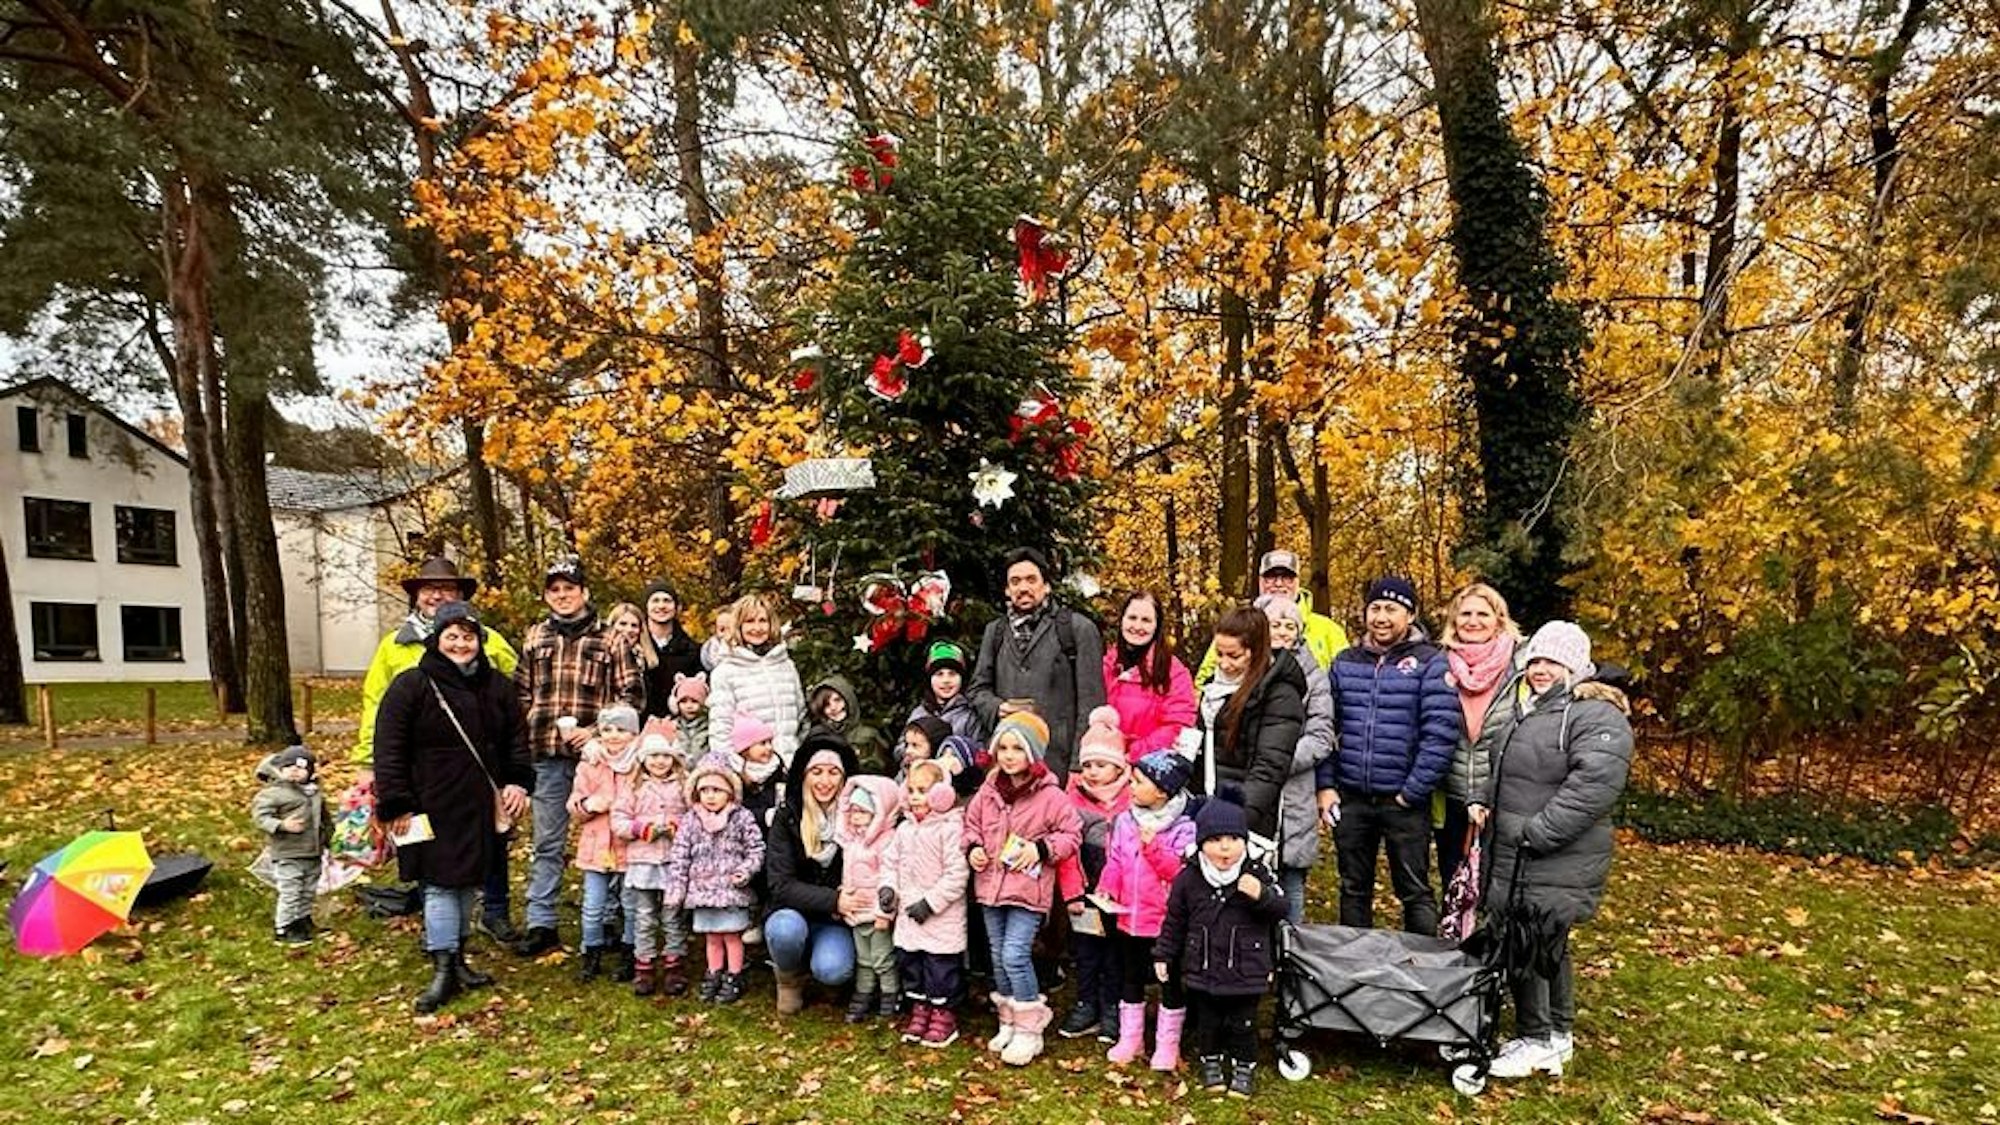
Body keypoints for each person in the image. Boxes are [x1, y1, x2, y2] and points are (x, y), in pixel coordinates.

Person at [1478, 622, 1633, 1080]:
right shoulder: (1532, 710)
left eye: (1553, 662)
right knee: (1542, 945)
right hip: (1517, 853)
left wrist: (1537, 831)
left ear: (1576, 667)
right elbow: (1509, 769)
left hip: (1550, 855)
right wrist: (1483, 802)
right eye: (1536, 661)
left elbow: (1594, 785)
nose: (1541, 669)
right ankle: (1554, 1036)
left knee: (1533, 942)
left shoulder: (1593, 714)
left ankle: (1538, 1038)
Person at [372, 601, 532, 1014]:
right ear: (438, 639)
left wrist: (517, 781)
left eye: (468, 636)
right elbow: (388, 748)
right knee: (439, 881)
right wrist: (396, 802)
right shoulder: (412, 685)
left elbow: (517, 739)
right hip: (427, 800)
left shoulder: (497, 686)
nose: (461, 644)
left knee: (468, 881)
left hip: (479, 801)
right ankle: (442, 965)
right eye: (452, 636)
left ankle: (459, 959)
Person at [352, 555, 520, 941]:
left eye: (447, 589)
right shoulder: (395, 648)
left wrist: (515, 776)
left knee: (482, 854)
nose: (438, 596)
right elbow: (378, 711)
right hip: (424, 778)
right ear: (417, 597)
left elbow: (511, 698)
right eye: (430, 590)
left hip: (477, 778)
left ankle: (484, 919)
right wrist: (371, 767)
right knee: (433, 863)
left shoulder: (490, 642)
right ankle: (440, 943)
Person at [513, 556, 644, 957]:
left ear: (584, 592)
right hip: (547, 755)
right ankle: (542, 921)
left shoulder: (611, 640)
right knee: (547, 842)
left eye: (569, 588)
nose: (563, 595)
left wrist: (597, 732)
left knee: (609, 837)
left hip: (602, 759)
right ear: (546, 596)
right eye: (554, 589)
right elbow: (519, 693)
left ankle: (607, 920)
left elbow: (632, 696)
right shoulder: (535, 637)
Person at [1319, 576, 1461, 935]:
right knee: (1353, 887)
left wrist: (1411, 791)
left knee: (1413, 890)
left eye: (1392, 609)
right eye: (1375, 608)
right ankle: (1354, 970)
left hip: (1404, 801)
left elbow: (1441, 733)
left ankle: (1422, 973)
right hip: (1351, 798)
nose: (1382, 617)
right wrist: (1326, 784)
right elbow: (1324, 727)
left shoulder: (1432, 663)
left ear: (1410, 615)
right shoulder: (1344, 663)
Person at [964, 712, 1084, 1066]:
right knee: (998, 955)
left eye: (1018, 747)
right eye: (1003, 747)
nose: (1009, 755)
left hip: (1028, 890)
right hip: (990, 886)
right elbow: (970, 825)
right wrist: (973, 849)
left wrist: (1042, 849)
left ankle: (1031, 1028)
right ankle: (1009, 1020)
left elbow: (1071, 834)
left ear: (1033, 753)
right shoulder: (987, 792)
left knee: (1016, 954)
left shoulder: (1050, 795)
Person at [1153, 792, 1288, 1098]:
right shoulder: (1189, 877)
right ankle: (1210, 1062)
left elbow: (1281, 909)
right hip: (1203, 967)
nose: (1225, 847)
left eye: (1232, 839)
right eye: (1215, 840)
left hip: (1246, 968)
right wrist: (1164, 953)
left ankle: (1244, 1068)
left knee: (1244, 1024)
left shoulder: (1257, 872)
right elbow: (1175, 920)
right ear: (1201, 843)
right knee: (1208, 1023)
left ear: (1244, 841)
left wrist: (1261, 896)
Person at [969, 547, 1107, 782]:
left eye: (1031, 580)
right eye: (1015, 581)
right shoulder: (996, 632)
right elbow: (977, 690)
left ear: (1046, 586)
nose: (1023, 588)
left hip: (1057, 766)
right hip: (1008, 768)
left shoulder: (1076, 629)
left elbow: (1091, 705)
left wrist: (1079, 766)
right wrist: (999, 708)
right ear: (1007, 589)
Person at [1096, 750, 1196, 1071]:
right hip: (1129, 917)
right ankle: (1131, 1038)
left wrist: (1154, 847)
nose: (1131, 787)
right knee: (1131, 977)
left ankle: (1167, 1044)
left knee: (1169, 981)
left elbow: (1180, 873)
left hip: (1164, 923)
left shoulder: (1184, 827)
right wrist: (1107, 886)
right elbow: (1115, 859)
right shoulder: (1125, 820)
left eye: (1139, 782)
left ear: (1162, 791)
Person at [1194, 607, 1307, 862]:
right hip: (1208, 807)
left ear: (1255, 651)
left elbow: (1269, 767)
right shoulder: (1213, 686)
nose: (1224, 663)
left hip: (1245, 820)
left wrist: (1233, 820)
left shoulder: (1280, 695)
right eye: (1219, 654)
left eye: (1233, 656)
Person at [764, 731, 863, 1015]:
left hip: (834, 920)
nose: (825, 781)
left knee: (832, 970)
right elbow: (780, 885)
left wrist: (844, 901)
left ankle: (824, 968)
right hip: (791, 911)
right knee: (785, 930)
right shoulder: (787, 816)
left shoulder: (858, 817)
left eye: (834, 772)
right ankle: (789, 978)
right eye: (816, 772)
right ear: (804, 775)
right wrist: (833, 899)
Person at [1255, 594, 1337, 923]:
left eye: (1291, 625)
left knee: (1291, 882)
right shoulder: (1244, 664)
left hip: (1294, 789)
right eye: (1276, 624)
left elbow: (1321, 734)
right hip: (1252, 786)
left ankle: (1292, 958)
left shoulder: (1314, 676)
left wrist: (1274, 762)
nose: (1284, 631)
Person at [880, 759, 971, 1047]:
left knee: (940, 968)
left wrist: (930, 903)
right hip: (908, 914)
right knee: (912, 964)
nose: (916, 796)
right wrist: (888, 888)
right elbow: (890, 862)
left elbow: (957, 874)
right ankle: (920, 1010)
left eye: (923, 790)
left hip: (939, 917)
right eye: (912, 790)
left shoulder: (950, 829)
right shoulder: (905, 830)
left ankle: (943, 1014)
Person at [663, 752, 767, 1005]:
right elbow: (680, 856)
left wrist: (746, 870)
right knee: (711, 936)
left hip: (731, 890)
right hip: (702, 892)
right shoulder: (690, 820)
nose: (710, 796)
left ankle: (734, 974)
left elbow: (756, 848)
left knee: (732, 936)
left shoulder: (741, 817)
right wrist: (676, 889)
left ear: (730, 792)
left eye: (717, 790)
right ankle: (714, 972)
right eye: (705, 790)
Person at [1056, 708, 1133, 1043]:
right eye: (1087, 765)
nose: (1092, 772)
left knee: (1117, 952)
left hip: (1121, 896)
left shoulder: (1133, 799)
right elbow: (1067, 851)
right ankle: (1086, 1003)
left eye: (1100, 765)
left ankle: (1112, 1006)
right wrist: (1073, 892)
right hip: (1085, 892)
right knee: (1086, 949)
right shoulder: (1071, 800)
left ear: (1119, 765)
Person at [1437, 582, 1521, 887]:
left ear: (1499, 619)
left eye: (1483, 614)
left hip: (1500, 796)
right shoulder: (1438, 664)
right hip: (1450, 794)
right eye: (1465, 614)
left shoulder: (1520, 667)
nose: (1473, 621)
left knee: (1494, 882)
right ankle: (1453, 935)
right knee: (1453, 880)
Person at [568, 707, 644, 984]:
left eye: (621, 730)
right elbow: (574, 803)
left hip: (630, 845)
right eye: (608, 729)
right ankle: (591, 951)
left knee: (631, 902)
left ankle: (630, 952)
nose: (614, 736)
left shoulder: (640, 764)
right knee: (593, 903)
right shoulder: (590, 763)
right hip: (597, 844)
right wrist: (589, 805)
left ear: (634, 734)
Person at [1195, 551, 1348, 686]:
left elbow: (1346, 682)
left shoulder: (1329, 630)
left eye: (1287, 577)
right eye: (1270, 577)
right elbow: (1204, 680)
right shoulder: (1238, 625)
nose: (1278, 583)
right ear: (1260, 580)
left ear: (1298, 581)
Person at [615, 732, 690, 998]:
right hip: (643, 861)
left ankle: (674, 965)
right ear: (644, 759)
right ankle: (644, 966)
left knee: (673, 916)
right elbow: (619, 820)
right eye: (654, 756)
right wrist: (642, 829)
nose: (659, 761)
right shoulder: (633, 787)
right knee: (644, 916)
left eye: (665, 756)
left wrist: (676, 828)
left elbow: (694, 817)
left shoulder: (682, 785)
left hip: (673, 861)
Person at [834, 774, 906, 1021]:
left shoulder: (885, 841)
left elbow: (890, 877)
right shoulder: (851, 842)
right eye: (852, 811)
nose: (855, 817)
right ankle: (863, 993)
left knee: (882, 957)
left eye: (863, 812)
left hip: (876, 912)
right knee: (864, 958)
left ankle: (890, 994)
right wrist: (842, 898)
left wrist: (884, 912)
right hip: (855, 911)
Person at [707, 593, 806, 766]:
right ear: (738, 625)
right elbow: (721, 728)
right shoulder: (725, 671)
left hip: (790, 765)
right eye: (750, 621)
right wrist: (736, 770)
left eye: (762, 620)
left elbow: (801, 714)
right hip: (752, 771)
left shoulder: (786, 665)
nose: (757, 627)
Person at [1101, 590, 1197, 763]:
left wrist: (1132, 755)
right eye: (1132, 618)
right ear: (1122, 620)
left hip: (1145, 771)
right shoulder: (1105, 664)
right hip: (1100, 766)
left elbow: (1178, 724)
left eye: (1146, 620)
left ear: (1157, 626)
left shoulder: (1174, 672)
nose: (1137, 626)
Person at [251, 745, 332, 944]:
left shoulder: (314, 793)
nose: (294, 771)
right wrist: (281, 825)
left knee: (308, 890)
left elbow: (325, 820)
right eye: (289, 767)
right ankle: (284, 928)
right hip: (287, 852)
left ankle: (302, 920)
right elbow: (260, 817)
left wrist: (330, 840)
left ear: (311, 772)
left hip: (313, 852)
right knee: (291, 891)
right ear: (279, 769)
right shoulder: (273, 793)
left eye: (301, 768)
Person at [635, 580, 704, 722]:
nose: (661, 606)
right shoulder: (634, 646)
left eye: (667, 601)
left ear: (676, 607)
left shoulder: (692, 650)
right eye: (655, 600)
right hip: (636, 725)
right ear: (646, 607)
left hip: (678, 726)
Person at [805, 674, 888, 776]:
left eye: (837, 700)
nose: (833, 708)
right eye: (826, 704)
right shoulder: (817, 736)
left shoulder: (867, 735)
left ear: (848, 700)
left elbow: (879, 770)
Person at [906, 640, 982, 743]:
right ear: (930, 679)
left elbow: (980, 751)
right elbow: (901, 748)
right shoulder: (919, 713)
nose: (946, 680)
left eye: (952, 674)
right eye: (939, 674)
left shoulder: (970, 716)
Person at [669, 673, 711, 753]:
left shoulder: (710, 726)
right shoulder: (672, 726)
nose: (689, 706)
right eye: (683, 701)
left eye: (694, 701)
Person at [700, 604, 738, 672]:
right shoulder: (711, 646)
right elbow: (712, 663)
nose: (727, 634)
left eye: (730, 629)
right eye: (722, 629)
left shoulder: (742, 644)